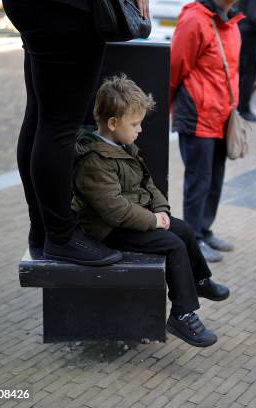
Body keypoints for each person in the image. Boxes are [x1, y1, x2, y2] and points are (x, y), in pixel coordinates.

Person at [71, 75, 230, 347]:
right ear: (112, 124)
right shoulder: (94, 161)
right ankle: (182, 314)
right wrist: (152, 220)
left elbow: (148, 182)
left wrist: (160, 210)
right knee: (172, 245)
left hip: (131, 218)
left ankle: (200, 279)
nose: (140, 129)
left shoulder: (123, 146)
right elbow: (114, 211)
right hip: (107, 230)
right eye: (135, 124)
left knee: (183, 229)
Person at [2, 0, 149, 266]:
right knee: (60, 124)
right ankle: (60, 237)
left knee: (42, 116)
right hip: (70, 9)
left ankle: (43, 230)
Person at [170, 0, 243, 263]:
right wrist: (167, 108)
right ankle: (192, 240)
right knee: (198, 181)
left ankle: (203, 229)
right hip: (197, 114)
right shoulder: (195, 19)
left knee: (214, 180)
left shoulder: (232, 21)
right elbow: (175, 67)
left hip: (222, 115)